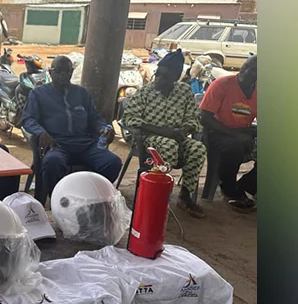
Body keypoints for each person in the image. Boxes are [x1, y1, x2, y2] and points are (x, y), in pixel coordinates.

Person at [21, 55, 122, 205]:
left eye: (68, 71)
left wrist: (104, 128)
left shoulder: (81, 93)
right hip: (57, 145)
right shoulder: (39, 94)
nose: (64, 75)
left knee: (112, 162)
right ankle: (60, 202)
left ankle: (90, 199)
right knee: (52, 163)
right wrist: (41, 132)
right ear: (50, 72)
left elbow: (94, 118)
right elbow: (28, 119)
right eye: (59, 71)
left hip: (85, 144)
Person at [121, 49, 207, 218]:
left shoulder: (184, 91)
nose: (159, 79)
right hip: (147, 137)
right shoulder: (146, 92)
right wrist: (163, 132)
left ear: (175, 78)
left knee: (198, 148)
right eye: (158, 74)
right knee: (169, 145)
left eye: (165, 76)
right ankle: (159, 196)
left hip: (176, 136)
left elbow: (193, 117)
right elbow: (129, 119)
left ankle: (185, 196)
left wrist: (184, 130)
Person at [199, 54, 257, 211]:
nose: (246, 72)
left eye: (253, 70)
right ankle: (229, 190)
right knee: (235, 146)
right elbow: (204, 117)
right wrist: (235, 134)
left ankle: (246, 185)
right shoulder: (222, 84)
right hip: (216, 131)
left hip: (244, 131)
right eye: (246, 67)